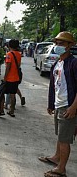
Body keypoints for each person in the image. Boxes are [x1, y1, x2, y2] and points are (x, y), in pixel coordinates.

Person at [38, 32, 77, 177]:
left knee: (65, 139)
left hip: (68, 105)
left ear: (69, 46)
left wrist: (74, 107)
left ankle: (61, 169)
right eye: (57, 43)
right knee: (60, 136)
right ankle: (56, 157)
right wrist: (51, 104)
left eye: (62, 43)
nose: (58, 46)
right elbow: (54, 86)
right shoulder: (57, 63)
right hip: (59, 104)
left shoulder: (73, 63)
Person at [0, 39, 22, 117]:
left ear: (9, 46)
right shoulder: (19, 54)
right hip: (16, 78)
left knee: (1, 94)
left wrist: (5, 78)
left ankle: (1, 110)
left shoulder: (9, 54)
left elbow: (8, 67)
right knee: (13, 95)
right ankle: (11, 111)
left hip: (9, 78)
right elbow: (18, 65)